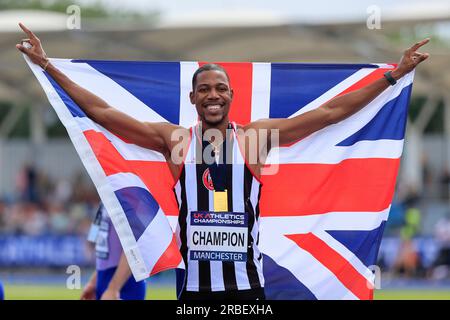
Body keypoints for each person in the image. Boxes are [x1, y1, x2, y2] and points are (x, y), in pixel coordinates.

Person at [16, 22, 430, 300]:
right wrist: (47, 65)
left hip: (247, 291)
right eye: (205, 89)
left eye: (221, 88)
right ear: (193, 98)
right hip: (192, 292)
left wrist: (391, 77)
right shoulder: (174, 141)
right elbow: (104, 115)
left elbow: (327, 115)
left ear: (231, 96)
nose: (214, 94)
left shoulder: (254, 139)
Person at [80, 203, 146, 300]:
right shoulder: (106, 198)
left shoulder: (126, 196)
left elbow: (135, 247)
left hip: (124, 284)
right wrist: (94, 282)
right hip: (105, 281)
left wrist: (113, 288)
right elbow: (108, 251)